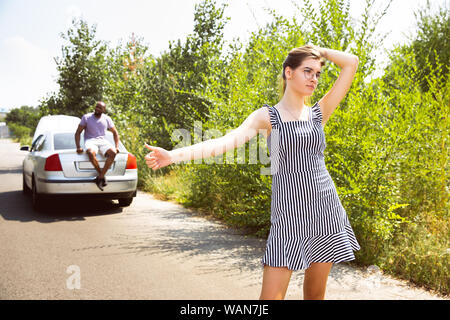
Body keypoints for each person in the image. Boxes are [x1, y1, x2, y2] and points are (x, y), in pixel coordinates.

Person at [144, 45, 361, 300]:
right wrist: (173, 155)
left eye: (317, 74)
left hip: (325, 208)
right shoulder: (267, 116)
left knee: (314, 296)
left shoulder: (318, 114)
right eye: (307, 71)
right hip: (289, 215)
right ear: (288, 73)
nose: (314, 78)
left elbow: (351, 63)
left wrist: (319, 52)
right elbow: (223, 142)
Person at [75, 101, 120, 191]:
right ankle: (102, 176)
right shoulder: (86, 117)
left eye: (100, 108)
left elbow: (115, 132)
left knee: (113, 153)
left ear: (104, 110)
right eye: (96, 107)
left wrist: (116, 146)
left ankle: (99, 177)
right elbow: (78, 132)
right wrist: (78, 147)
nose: (97, 109)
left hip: (102, 141)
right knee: (91, 153)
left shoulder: (107, 119)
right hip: (90, 141)